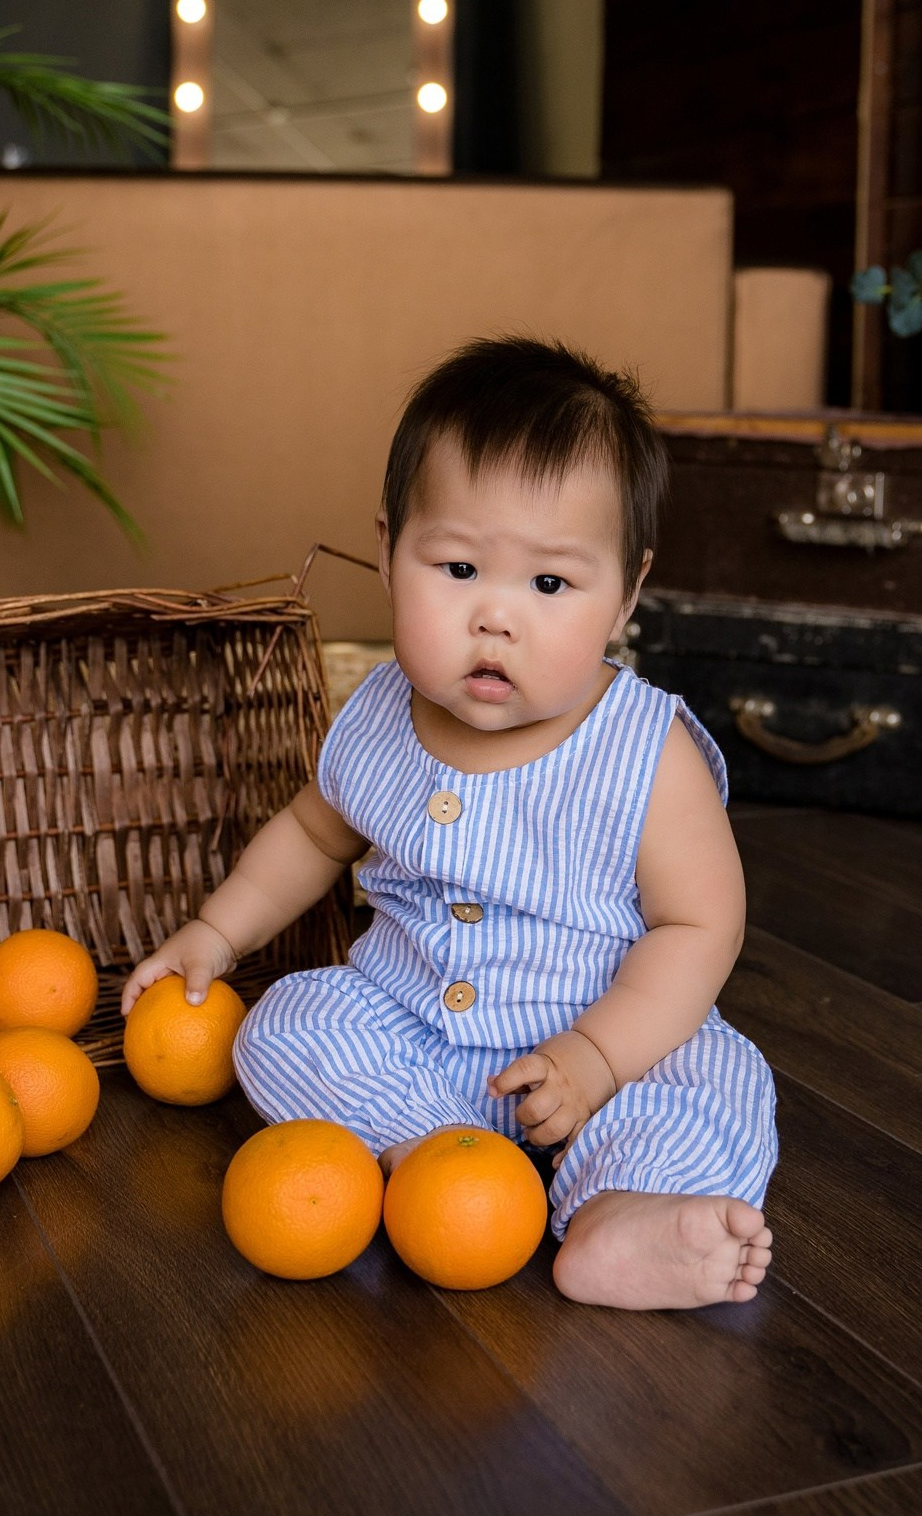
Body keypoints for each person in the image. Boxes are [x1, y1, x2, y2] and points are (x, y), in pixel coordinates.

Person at [119, 337, 775, 1309]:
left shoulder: (643, 749)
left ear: (626, 594)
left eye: (550, 585)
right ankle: (435, 1160)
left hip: (604, 1040)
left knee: (712, 1087)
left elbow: (699, 926)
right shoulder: (379, 712)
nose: (495, 618)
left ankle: (619, 1214)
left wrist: (596, 1058)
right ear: (386, 553)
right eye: (459, 567)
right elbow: (311, 834)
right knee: (284, 1027)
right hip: (412, 1033)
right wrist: (216, 933)